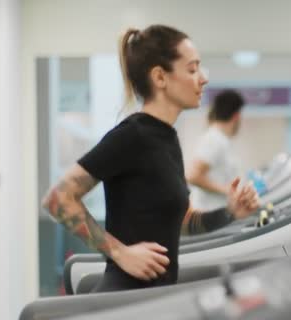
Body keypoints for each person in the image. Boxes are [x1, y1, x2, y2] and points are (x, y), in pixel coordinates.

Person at [41, 25, 259, 293]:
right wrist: (119, 253)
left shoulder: (167, 139)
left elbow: (183, 222)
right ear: (160, 77)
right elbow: (58, 199)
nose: (203, 79)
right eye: (192, 70)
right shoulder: (132, 135)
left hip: (155, 296)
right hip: (123, 297)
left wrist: (230, 213)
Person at [186, 89, 244, 211]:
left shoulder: (221, 140)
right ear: (236, 116)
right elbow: (192, 175)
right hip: (208, 214)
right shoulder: (214, 139)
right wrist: (226, 190)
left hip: (218, 214)